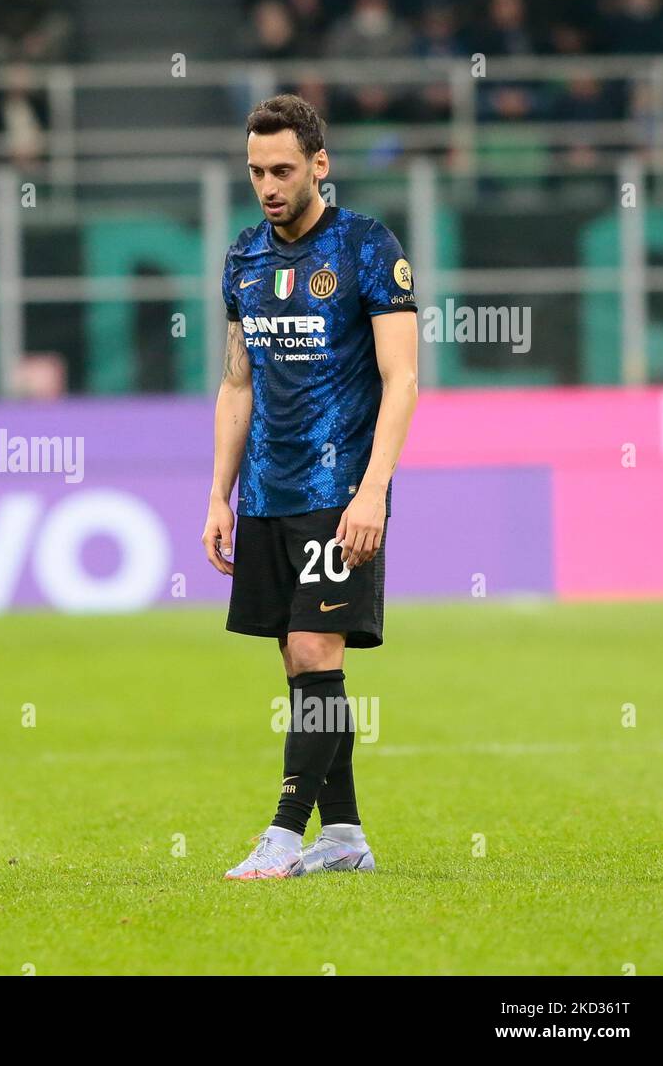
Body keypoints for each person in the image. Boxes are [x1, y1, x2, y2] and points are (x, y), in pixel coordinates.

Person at [202, 94, 419, 881]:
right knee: (301, 670)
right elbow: (236, 386)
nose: (268, 183)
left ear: (319, 164)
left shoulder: (366, 246)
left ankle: (285, 833)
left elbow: (403, 380)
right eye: (256, 169)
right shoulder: (244, 259)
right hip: (265, 492)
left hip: (339, 491)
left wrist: (373, 492)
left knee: (313, 646)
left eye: (283, 168)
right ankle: (346, 833)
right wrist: (219, 495)